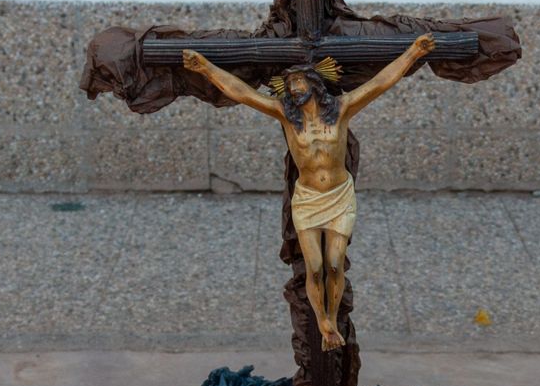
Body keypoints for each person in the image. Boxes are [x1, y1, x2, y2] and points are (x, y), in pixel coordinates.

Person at [182, 33, 436, 350]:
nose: (293, 88)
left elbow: (379, 84)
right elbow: (243, 94)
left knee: (334, 264)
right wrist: (205, 68)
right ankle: (324, 323)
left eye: (299, 82)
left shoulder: (342, 109)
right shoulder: (287, 116)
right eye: (289, 85)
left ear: (315, 83)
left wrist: (413, 52)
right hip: (307, 199)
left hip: (339, 196)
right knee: (314, 269)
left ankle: (331, 315)